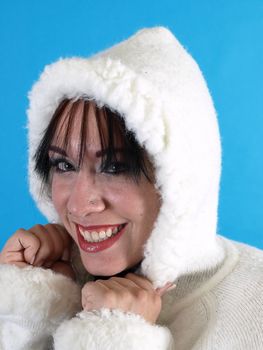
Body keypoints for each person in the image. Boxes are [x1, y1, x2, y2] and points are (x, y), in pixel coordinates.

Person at [0, 27, 262, 350]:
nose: (79, 205)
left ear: (180, 178)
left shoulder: (255, 308)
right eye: (64, 165)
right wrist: (30, 313)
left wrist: (117, 337)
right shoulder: (58, 280)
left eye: (114, 167)